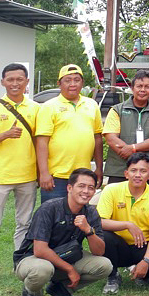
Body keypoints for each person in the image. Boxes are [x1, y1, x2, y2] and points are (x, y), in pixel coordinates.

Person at [0, 63, 40, 288]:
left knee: (24, 223)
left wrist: (40, 171)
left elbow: (40, 140)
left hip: (27, 176)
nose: (15, 83)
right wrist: (5, 134)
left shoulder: (36, 108)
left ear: (27, 82)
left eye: (19, 79)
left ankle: (20, 262)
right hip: (0, 176)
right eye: (10, 79)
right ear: (2, 82)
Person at [13, 169, 112, 296]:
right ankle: (31, 293)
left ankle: (60, 288)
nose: (86, 191)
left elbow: (99, 251)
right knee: (43, 269)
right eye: (81, 186)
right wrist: (70, 269)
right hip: (32, 258)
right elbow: (40, 250)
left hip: (66, 255)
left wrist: (89, 231)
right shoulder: (49, 208)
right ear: (69, 188)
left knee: (105, 265)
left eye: (91, 187)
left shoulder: (91, 212)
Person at [97, 153, 149, 292]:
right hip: (118, 245)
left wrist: (146, 261)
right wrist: (127, 225)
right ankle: (113, 275)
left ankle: (141, 272)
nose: (138, 175)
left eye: (143, 171)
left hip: (144, 245)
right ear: (126, 174)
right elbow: (99, 222)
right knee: (103, 235)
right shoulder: (111, 190)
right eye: (133, 170)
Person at [34, 64, 103, 202]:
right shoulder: (49, 106)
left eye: (77, 80)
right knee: (53, 213)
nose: (72, 84)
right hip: (56, 176)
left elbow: (97, 138)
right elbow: (42, 142)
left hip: (83, 176)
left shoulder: (92, 105)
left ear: (82, 83)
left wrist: (99, 169)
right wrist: (44, 173)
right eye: (67, 80)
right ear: (59, 83)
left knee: (79, 214)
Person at [102, 70, 149, 186]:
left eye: (147, 87)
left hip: (147, 172)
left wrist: (132, 149)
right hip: (119, 170)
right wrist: (129, 153)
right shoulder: (116, 110)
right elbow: (111, 138)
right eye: (139, 86)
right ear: (132, 88)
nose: (143, 90)